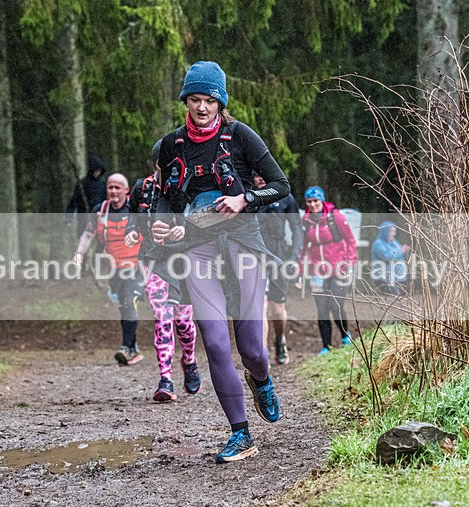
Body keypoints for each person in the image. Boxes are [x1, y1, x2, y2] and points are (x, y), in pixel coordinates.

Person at [149, 61, 289, 464]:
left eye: (210, 100)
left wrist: (244, 198)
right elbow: (163, 198)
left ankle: (261, 380)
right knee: (213, 342)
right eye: (195, 99)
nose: (202, 107)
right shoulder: (170, 145)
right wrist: (163, 225)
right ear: (185, 101)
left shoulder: (240, 136)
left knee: (251, 348)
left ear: (220, 102)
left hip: (243, 240)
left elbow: (281, 186)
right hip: (197, 247)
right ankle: (240, 434)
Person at [125, 141, 200, 402]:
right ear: (158, 163)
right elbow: (132, 214)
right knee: (162, 316)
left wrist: (186, 229)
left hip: (184, 260)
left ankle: (189, 359)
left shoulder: (190, 186)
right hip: (153, 260)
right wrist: (132, 231)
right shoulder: (142, 188)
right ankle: (165, 379)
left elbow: (204, 220)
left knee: (184, 323)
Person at [73, 172, 143, 366]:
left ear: (126, 190)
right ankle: (133, 348)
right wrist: (79, 254)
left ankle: (126, 347)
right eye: (110, 187)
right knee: (124, 307)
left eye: (117, 187)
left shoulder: (136, 209)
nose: (113, 191)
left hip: (137, 266)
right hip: (114, 269)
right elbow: (88, 234)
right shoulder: (100, 211)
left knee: (130, 302)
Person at [297, 186, 357, 356]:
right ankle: (326, 346)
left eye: (316, 201)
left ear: (321, 200)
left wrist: (350, 263)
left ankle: (345, 336)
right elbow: (303, 248)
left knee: (335, 304)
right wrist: (300, 271)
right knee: (322, 308)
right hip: (317, 270)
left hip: (339, 268)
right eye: (309, 201)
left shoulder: (335, 217)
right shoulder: (306, 221)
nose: (313, 204)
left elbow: (350, 240)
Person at [254, 172, 303, 365]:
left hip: (279, 255)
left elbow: (297, 228)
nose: (261, 178)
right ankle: (262, 352)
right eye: (256, 175)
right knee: (261, 306)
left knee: (277, 308)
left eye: (263, 173)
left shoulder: (284, 197)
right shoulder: (248, 198)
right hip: (254, 257)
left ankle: (280, 339)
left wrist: (294, 256)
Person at [371, 221, 411, 296]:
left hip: (398, 278)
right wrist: (402, 250)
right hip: (384, 279)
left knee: (401, 299)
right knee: (393, 299)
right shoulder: (378, 244)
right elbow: (388, 257)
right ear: (385, 231)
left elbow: (400, 254)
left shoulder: (394, 242)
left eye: (394, 231)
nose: (393, 234)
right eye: (391, 231)